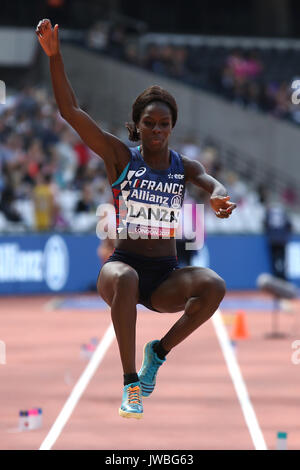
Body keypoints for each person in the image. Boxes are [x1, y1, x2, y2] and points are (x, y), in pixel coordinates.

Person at [36, 19, 237, 420]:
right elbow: (70, 111)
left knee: (214, 286)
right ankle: (131, 385)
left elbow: (208, 180)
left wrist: (216, 195)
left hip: (164, 276)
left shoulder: (183, 166)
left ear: (172, 127)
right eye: (150, 124)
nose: (157, 130)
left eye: (164, 124)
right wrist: (56, 58)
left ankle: (157, 354)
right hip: (122, 267)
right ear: (138, 126)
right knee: (125, 278)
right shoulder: (121, 159)